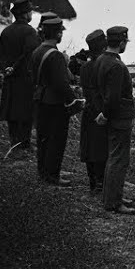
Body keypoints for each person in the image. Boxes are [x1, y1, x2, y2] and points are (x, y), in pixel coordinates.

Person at [93, 25, 135, 214]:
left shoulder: (101, 59)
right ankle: (113, 201)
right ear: (121, 43)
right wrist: (107, 113)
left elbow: (98, 90)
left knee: (114, 157)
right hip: (119, 118)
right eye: (125, 42)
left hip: (112, 117)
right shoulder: (117, 66)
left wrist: (101, 112)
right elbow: (113, 97)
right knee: (119, 159)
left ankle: (113, 195)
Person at [31, 13, 79, 186]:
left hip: (40, 99)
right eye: (61, 32)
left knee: (43, 138)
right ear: (58, 34)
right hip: (55, 103)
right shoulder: (55, 55)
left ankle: (43, 172)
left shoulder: (37, 51)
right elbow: (61, 83)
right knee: (56, 140)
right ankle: (52, 175)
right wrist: (73, 100)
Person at [0, 0, 40, 152]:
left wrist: (5, 68)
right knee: (25, 111)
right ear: (24, 14)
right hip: (25, 78)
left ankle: (14, 142)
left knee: (11, 110)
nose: (32, 14)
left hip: (10, 78)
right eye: (30, 11)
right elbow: (31, 55)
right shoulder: (30, 32)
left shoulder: (6, 31)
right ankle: (24, 144)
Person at [75, 29, 108, 193]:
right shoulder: (105, 65)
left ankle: (93, 183)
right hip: (102, 112)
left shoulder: (86, 66)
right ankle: (101, 183)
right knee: (102, 148)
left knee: (89, 147)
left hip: (89, 110)